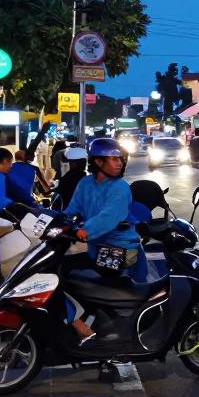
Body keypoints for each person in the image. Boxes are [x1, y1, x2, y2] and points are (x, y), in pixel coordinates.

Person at [67, 138, 144, 343]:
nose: (119, 163)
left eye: (120, 159)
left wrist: (84, 231)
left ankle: (112, 338)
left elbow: (109, 217)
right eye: (112, 159)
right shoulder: (85, 183)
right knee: (67, 273)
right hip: (97, 247)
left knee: (107, 294)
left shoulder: (120, 188)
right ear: (98, 162)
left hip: (120, 248)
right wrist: (57, 222)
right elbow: (72, 209)